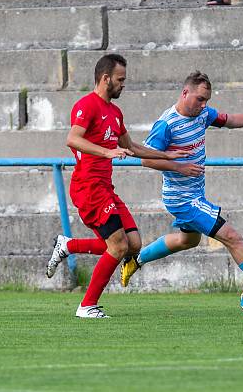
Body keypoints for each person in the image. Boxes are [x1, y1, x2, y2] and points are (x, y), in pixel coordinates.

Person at [120, 71, 243, 304]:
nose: (204, 105)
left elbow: (231, 120)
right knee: (232, 237)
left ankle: (136, 259)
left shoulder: (202, 114)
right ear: (185, 93)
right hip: (182, 198)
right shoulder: (166, 124)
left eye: (207, 100)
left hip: (195, 194)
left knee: (188, 241)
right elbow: (145, 159)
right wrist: (180, 167)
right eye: (200, 99)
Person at [45, 54, 191, 319]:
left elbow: (131, 147)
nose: (124, 84)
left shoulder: (115, 112)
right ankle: (87, 306)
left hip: (105, 188)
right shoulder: (87, 105)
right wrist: (105, 152)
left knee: (133, 244)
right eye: (120, 79)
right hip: (88, 187)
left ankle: (68, 245)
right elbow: (73, 139)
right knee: (118, 245)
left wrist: (166, 155)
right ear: (105, 78)